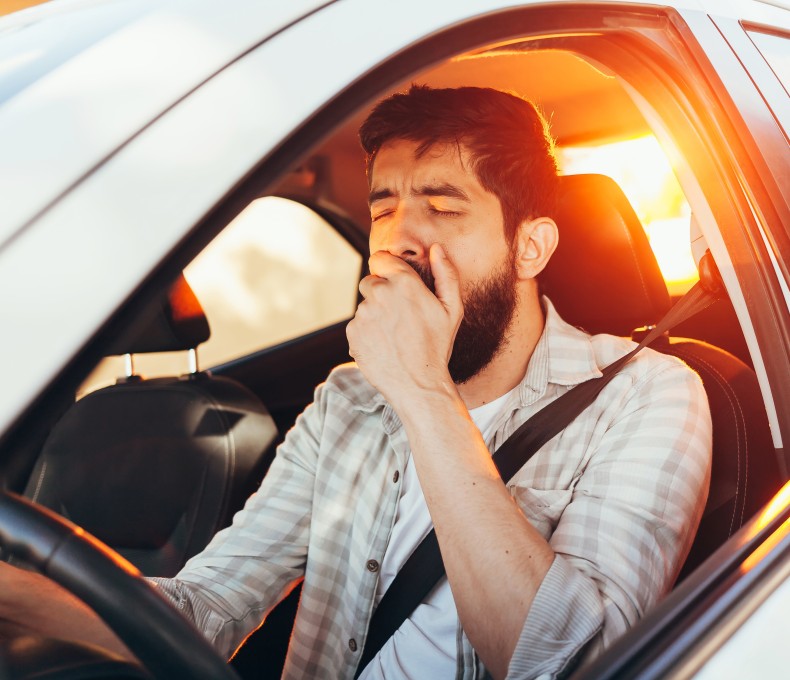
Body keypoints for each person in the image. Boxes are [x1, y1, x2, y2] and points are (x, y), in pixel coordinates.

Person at [0, 86, 712, 679]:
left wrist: (422, 391)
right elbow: (206, 610)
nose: (399, 238)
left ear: (530, 247)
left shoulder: (647, 396)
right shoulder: (347, 399)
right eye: (384, 208)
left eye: (443, 207)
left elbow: (575, 664)